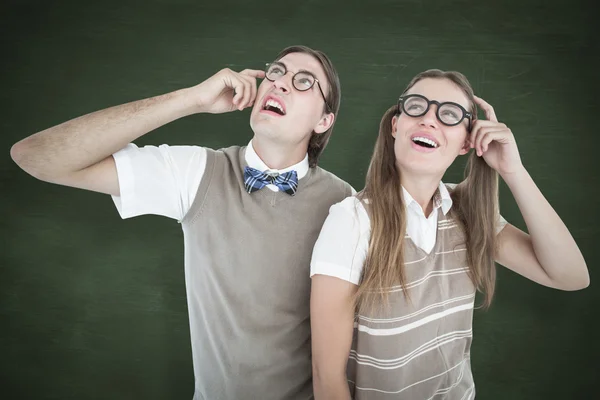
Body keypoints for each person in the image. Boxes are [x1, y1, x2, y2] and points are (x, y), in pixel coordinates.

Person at [10, 45, 354, 400]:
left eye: (303, 82)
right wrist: (192, 99)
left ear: (324, 121)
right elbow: (36, 157)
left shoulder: (346, 205)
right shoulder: (198, 173)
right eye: (276, 72)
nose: (280, 84)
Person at [309, 69, 589, 399]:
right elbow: (327, 379)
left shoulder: (468, 214)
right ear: (395, 125)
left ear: (467, 143)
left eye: (450, 114)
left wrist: (514, 172)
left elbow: (571, 276)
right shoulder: (352, 220)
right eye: (416, 106)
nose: (429, 119)